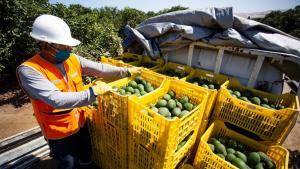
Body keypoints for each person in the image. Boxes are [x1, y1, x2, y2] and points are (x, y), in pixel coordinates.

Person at [16, 14, 141, 169]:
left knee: (86, 156)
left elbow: (100, 69)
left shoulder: (72, 59)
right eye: (63, 46)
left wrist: (127, 71)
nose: (69, 49)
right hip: (59, 131)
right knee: (69, 164)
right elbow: (56, 99)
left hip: (80, 122)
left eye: (69, 46)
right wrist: (93, 92)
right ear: (47, 46)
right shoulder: (30, 70)